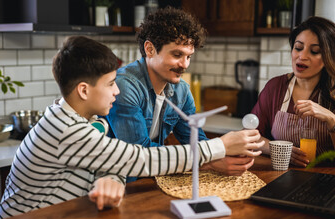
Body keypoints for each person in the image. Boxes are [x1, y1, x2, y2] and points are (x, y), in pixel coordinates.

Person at [0, 36, 264, 219]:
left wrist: (111, 178)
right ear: (84, 90)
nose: (117, 90)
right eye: (111, 83)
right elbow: (138, 158)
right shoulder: (67, 131)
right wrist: (221, 146)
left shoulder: (82, 120)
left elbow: (114, 158)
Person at [107, 7, 257, 177]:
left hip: (154, 178)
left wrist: (228, 153)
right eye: (177, 54)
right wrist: (211, 160)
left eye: (189, 56)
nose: (185, 64)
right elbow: (139, 153)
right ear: (149, 49)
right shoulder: (124, 86)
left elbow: (196, 141)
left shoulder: (182, 90)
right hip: (117, 181)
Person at [251, 16, 335, 167]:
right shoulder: (275, 87)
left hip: (325, 182)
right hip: (281, 176)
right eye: (298, 48)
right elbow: (251, 136)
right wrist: (279, 150)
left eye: (314, 51)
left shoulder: (333, 92)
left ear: (329, 56)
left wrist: (331, 119)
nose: (302, 56)